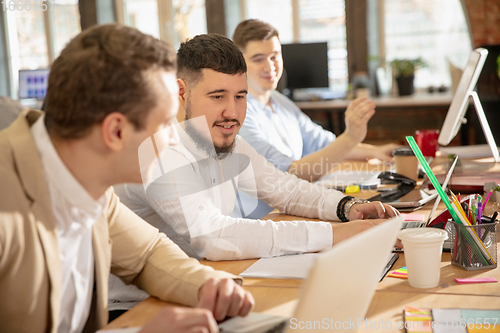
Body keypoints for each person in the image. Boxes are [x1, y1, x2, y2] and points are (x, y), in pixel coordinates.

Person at [0, 24, 254, 333]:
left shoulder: (85, 177)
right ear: (116, 132)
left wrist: (209, 286)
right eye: (164, 124)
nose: (176, 139)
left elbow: (147, 255)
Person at [113, 33, 399, 269]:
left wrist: (348, 209)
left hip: (205, 283)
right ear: (181, 92)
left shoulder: (225, 140)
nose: (232, 112)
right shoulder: (159, 148)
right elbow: (213, 236)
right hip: (140, 308)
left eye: (240, 96)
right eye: (217, 97)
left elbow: (286, 190)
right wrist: (337, 234)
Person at [231, 19, 399, 218]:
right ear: (240, 63)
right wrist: (350, 137)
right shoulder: (239, 114)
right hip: (264, 221)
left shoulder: (280, 102)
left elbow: (324, 143)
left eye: (275, 56)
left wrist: (375, 151)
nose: (270, 66)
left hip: (293, 211)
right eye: (258, 58)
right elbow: (287, 177)